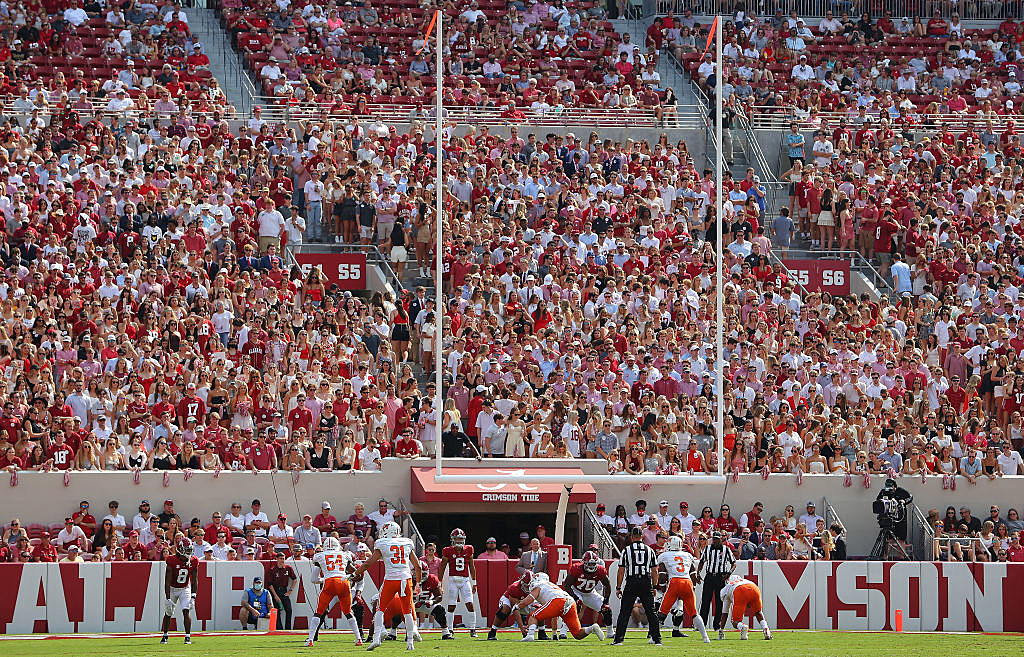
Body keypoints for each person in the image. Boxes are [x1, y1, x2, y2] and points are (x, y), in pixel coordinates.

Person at [350, 522, 423, 651]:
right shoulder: (406, 542)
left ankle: (377, 638)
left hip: (391, 580)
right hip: (405, 579)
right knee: (407, 612)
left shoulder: (382, 544)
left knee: (380, 609)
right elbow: (417, 566)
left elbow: (368, 564)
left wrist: (355, 573)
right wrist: (418, 583)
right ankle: (410, 642)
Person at [306, 536, 364, 646]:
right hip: (344, 582)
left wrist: (323, 579)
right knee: (348, 612)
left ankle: (310, 640)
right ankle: (358, 639)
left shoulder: (320, 556)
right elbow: (356, 573)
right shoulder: (345, 554)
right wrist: (349, 577)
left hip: (330, 582)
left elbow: (313, 579)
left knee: (319, 612)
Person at [514, 572, 605, 642]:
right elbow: (555, 614)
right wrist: (554, 633)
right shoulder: (550, 588)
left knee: (533, 616)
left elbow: (531, 598)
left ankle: (530, 635)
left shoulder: (539, 585)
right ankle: (592, 628)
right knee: (577, 634)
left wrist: (517, 606)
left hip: (559, 601)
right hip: (570, 602)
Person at [612, 526, 661, 645]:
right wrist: (654, 586)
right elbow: (655, 571)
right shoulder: (649, 550)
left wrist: (618, 587)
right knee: (651, 611)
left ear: (632, 537)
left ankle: (619, 639)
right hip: (645, 581)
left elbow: (621, 570)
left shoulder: (626, 550)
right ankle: (657, 639)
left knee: (624, 611)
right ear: (642, 536)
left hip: (632, 582)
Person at [657, 535, 709, 641]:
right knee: (694, 613)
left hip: (674, 582)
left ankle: (655, 637)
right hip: (687, 581)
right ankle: (705, 637)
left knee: (662, 613)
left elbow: (661, 574)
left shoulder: (664, 555)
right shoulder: (687, 555)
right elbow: (693, 573)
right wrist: (693, 588)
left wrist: (663, 589)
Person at [439, 528, 478, 638]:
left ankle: (473, 629)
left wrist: (474, 582)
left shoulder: (469, 549)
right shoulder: (447, 550)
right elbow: (442, 568)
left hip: (465, 580)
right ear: (452, 540)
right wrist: (440, 583)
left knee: (470, 604)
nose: (459, 541)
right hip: (453, 580)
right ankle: (450, 629)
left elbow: (472, 566)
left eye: (461, 539)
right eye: (457, 539)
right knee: (451, 605)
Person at [563, 550, 613, 630]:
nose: (591, 566)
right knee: (573, 608)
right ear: (584, 562)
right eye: (590, 564)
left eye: (593, 564)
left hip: (590, 593)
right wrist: (575, 597)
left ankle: (610, 633)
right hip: (576, 591)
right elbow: (567, 585)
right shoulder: (577, 568)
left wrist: (605, 601)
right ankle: (563, 632)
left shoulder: (600, 570)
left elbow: (607, 585)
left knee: (606, 609)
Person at [487, 570, 545, 640]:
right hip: (509, 600)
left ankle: (542, 632)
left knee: (540, 609)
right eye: (525, 585)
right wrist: (522, 628)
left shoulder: (537, 585)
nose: (527, 587)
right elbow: (515, 609)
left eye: (529, 585)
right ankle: (492, 632)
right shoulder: (515, 588)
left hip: (526, 600)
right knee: (505, 609)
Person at [161, 537, 198, 645]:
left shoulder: (194, 561)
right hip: (172, 588)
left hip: (184, 588)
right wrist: (168, 598)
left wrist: (193, 596)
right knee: (168, 612)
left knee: (186, 610)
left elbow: (194, 580)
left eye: (190, 549)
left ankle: (187, 636)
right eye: (187, 550)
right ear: (180, 549)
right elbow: (167, 582)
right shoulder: (172, 560)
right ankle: (165, 635)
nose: (189, 552)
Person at [698, 530, 735, 631]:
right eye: (713, 539)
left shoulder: (726, 549)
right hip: (709, 576)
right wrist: (698, 572)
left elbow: (733, 563)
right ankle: (702, 624)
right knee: (705, 601)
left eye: (717, 539)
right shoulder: (708, 549)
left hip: (720, 577)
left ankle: (717, 624)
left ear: (720, 539)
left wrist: (728, 573)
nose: (715, 541)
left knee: (719, 601)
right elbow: (701, 561)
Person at [718, 574, 772, 640]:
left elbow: (725, 614)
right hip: (754, 588)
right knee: (758, 612)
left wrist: (721, 630)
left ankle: (742, 627)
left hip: (740, 590)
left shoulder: (727, 588)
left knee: (735, 622)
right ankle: (766, 629)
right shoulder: (745, 581)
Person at [266, 552, 297, 630]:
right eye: (280, 558)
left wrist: (290, 590)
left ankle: (288, 628)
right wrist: (275, 595)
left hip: (284, 590)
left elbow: (295, 579)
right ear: (276, 559)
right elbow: (270, 584)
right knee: (277, 611)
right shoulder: (272, 570)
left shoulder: (288, 568)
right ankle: (279, 628)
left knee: (289, 609)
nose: (282, 560)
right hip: (276, 591)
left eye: (283, 558)